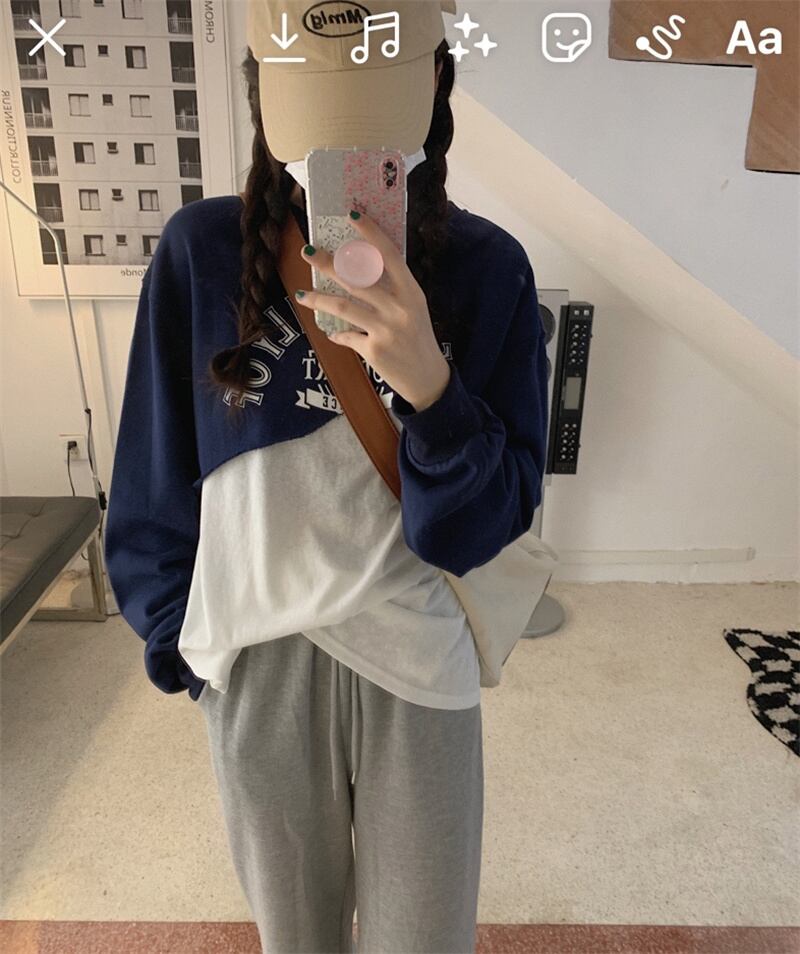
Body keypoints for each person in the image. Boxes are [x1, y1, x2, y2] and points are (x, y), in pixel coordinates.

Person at [104, 1, 549, 951]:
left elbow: (477, 529)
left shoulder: (488, 269)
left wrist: (430, 385)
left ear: (435, 79)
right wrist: (179, 641)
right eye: (317, 109)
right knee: (295, 941)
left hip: (418, 659)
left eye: (373, 106)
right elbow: (150, 475)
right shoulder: (200, 253)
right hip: (258, 662)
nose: (344, 147)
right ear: (262, 92)